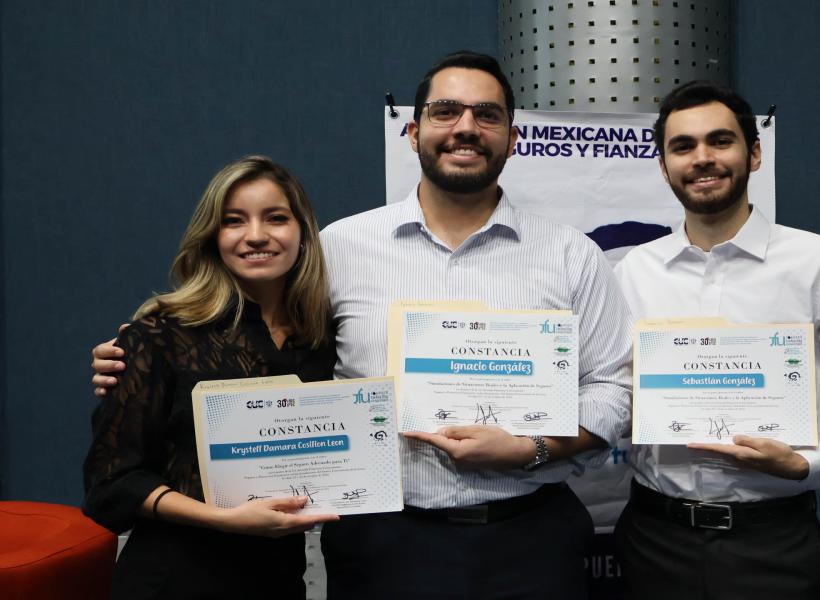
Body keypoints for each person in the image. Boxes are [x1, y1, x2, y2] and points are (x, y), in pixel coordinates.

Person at [91, 52, 632, 599]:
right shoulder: (340, 249)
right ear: (415, 130)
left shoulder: (573, 256)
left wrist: (530, 447)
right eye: (446, 111)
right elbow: (265, 340)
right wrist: (141, 355)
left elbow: (613, 387)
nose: (466, 127)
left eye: (486, 114)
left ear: (512, 138)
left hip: (532, 543)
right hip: (383, 547)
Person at [612, 80, 820, 599]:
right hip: (653, 541)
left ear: (754, 153)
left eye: (720, 141)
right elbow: (613, 392)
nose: (702, 158)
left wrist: (809, 463)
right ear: (664, 167)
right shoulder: (632, 272)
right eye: (683, 146)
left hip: (773, 543)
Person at [83, 156, 340, 600]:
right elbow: (111, 485)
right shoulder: (161, 335)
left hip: (278, 580)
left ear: (302, 233)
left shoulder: (320, 341)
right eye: (234, 221)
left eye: (276, 218)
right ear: (212, 237)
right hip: (174, 580)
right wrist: (225, 518)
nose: (256, 235)